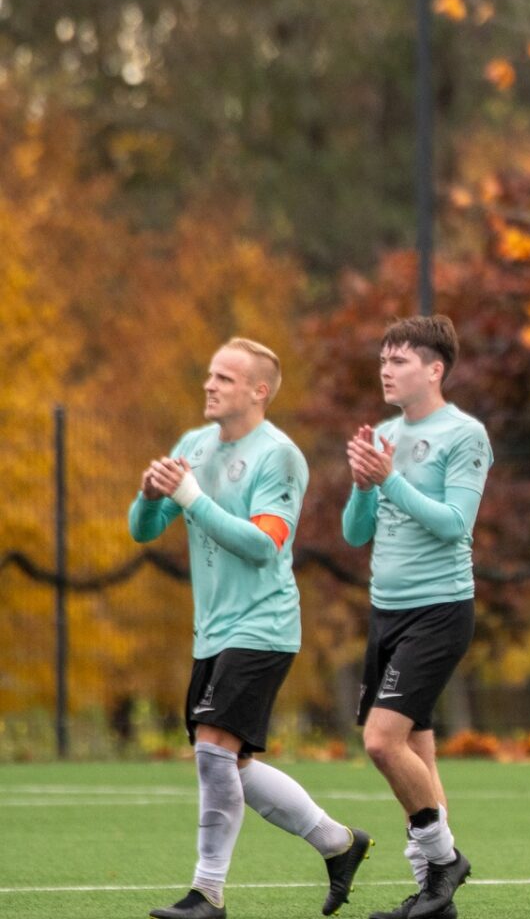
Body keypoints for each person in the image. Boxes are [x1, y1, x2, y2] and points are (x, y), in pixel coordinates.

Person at [130, 339, 370, 919]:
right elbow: (144, 530)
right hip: (212, 631)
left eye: (226, 378)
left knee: (214, 752)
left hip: (262, 627)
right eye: (210, 374)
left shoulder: (279, 456)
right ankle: (338, 843)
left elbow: (264, 546)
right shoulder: (193, 445)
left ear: (259, 391)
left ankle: (206, 894)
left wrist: (192, 496)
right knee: (231, 763)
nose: (210, 385)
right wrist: (149, 495)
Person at [341, 316, 493, 919]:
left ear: (435, 369)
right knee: (417, 759)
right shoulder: (381, 433)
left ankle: (445, 860)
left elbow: (456, 523)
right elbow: (356, 533)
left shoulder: (465, 434)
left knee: (381, 742)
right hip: (387, 614)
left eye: (399, 359)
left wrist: (390, 480)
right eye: (382, 358)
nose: (386, 368)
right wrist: (361, 486)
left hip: (439, 611)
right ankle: (435, 898)